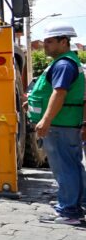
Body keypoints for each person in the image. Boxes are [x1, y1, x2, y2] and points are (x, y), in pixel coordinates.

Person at [29, 23, 86, 225]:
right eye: (45, 41)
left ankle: (69, 212)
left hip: (60, 125)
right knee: (73, 166)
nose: (45, 45)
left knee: (65, 168)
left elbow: (59, 92)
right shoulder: (68, 62)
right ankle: (78, 205)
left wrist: (46, 120)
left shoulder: (63, 64)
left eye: (50, 42)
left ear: (64, 42)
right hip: (67, 123)